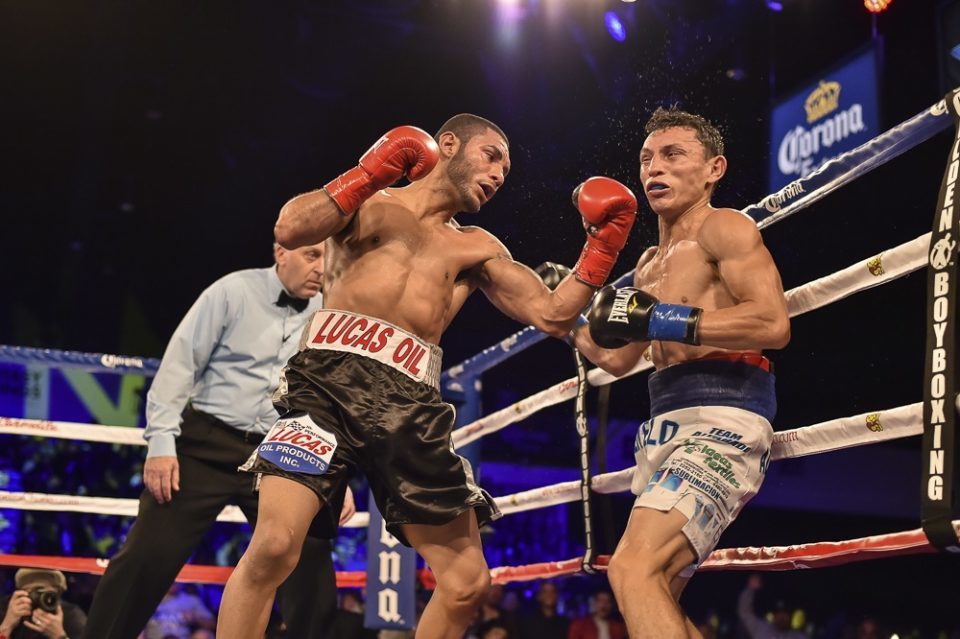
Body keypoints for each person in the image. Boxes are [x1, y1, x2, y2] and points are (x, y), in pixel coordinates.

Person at [216, 113, 638, 639]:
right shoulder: (369, 203)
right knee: (275, 545)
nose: (500, 173)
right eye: (492, 156)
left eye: (506, 168)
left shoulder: (477, 247)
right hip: (324, 387)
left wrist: (604, 246)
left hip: (410, 405)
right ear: (448, 144)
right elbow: (289, 227)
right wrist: (368, 172)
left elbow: (553, 314)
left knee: (466, 582)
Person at [574, 106, 791, 638]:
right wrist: (565, 315)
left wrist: (665, 318)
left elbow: (772, 323)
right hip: (663, 424)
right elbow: (621, 359)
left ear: (714, 168)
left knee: (632, 569)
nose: (654, 169)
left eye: (673, 156)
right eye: (647, 159)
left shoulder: (725, 227)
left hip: (726, 412)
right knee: (654, 590)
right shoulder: (647, 264)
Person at [82, 240, 354, 639]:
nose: (321, 267)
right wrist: (161, 443)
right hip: (207, 443)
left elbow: (332, 396)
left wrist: (334, 471)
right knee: (145, 557)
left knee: (311, 560)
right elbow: (179, 365)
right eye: (311, 255)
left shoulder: (331, 313)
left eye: (328, 258)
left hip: (283, 451)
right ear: (280, 251)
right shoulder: (232, 291)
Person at [0, 568, 87, 639]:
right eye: (33, 594)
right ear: (20, 594)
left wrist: (59, 635)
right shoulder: (7, 610)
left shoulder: (71, 615)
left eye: (47, 596)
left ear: (58, 595)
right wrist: (7, 626)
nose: (40, 600)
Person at [737, 575, 807, 639]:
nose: (782, 618)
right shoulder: (761, 629)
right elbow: (745, 612)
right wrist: (750, 589)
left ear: (790, 617)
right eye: (779, 614)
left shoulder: (799, 636)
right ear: (774, 615)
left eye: (785, 615)